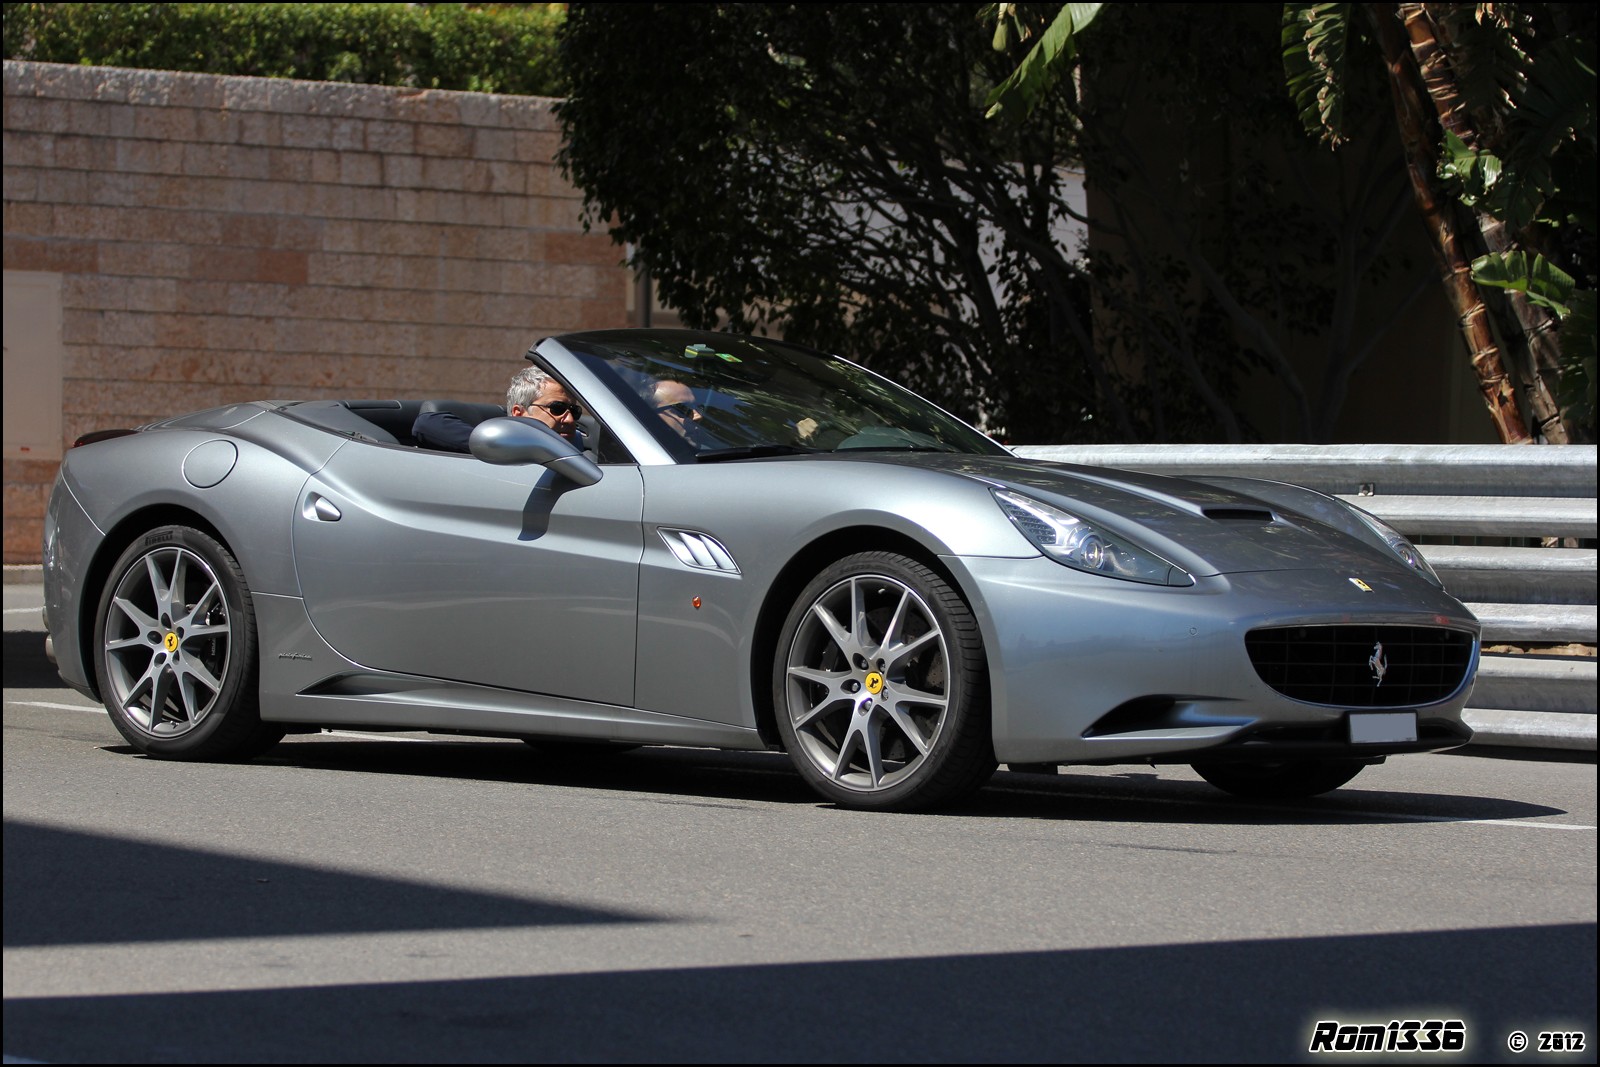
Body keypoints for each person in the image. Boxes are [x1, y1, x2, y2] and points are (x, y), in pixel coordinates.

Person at [413, 365, 585, 452]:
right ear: (519, 413)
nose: (570, 419)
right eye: (557, 408)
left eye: (574, 411)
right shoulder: (507, 452)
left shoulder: (579, 447)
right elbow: (426, 424)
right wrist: (502, 448)